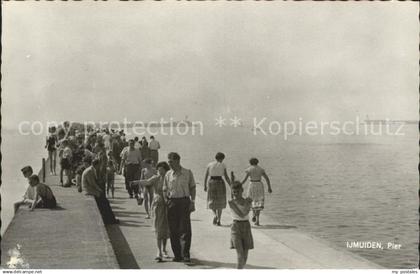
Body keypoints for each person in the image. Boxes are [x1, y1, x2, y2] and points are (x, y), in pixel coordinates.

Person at [131, 161, 170, 262]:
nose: (160, 172)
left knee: (166, 228)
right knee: (158, 227)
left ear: (166, 170)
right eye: (159, 170)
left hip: (167, 205)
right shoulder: (156, 178)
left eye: (162, 170)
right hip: (158, 204)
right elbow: (147, 182)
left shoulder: (169, 178)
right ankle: (159, 251)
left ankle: (164, 249)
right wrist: (136, 182)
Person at [163, 152, 196, 263]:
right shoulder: (168, 174)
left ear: (177, 161)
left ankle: (185, 254)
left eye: (171, 161)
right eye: (168, 161)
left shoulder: (187, 173)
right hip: (172, 202)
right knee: (173, 230)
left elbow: (192, 187)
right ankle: (177, 255)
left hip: (184, 202)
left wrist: (193, 201)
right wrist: (166, 200)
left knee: (185, 229)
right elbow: (164, 188)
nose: (169, 163)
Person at [82, 159, 119, 224]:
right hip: (88, 190)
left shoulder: (92, 170)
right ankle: (109, 220)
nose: (100, 167)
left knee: (105, 202)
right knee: (104, 202)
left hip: (91, 189)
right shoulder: (89, 171)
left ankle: (110, 219)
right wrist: (99, 190)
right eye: (99, 165)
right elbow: (92, 184)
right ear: (97, 165)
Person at [229, 175, 254, 269]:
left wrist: (249, 203)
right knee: (240, 255)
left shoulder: (247, 201)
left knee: (245, 255)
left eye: (238, 192)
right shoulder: (231, 202)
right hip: (235, 227)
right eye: (234, 192)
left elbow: (247, 212)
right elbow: (242, 214)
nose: (236, 194)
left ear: (242, 191)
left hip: (246, 226)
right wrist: (248, 203)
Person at [241, 158, 272, 226]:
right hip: (259, 185)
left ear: (250, 163)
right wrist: (269, 187)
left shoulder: (249, 169)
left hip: (252, 184)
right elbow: (267, 178)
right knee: (258, 201)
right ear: (257, 162)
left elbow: (245, 179)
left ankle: (253, 214)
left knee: (251, 200)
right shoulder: (260, 169)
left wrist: (240, 185)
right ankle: (257, 220)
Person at [204, 152, 231, 226]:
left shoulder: (209, 164)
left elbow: (206, 176)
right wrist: (231, 185)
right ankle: (219, 219)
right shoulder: (223, 165)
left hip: (211, 182)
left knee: (211, 200)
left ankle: (214, 215)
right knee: (220, 201)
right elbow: (226, 177)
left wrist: (205, 185)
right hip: (220, 182)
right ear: (222, 158)